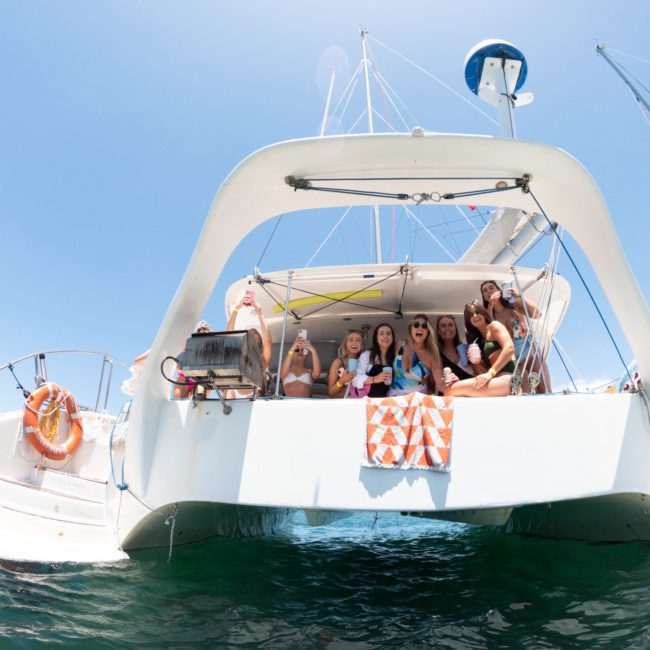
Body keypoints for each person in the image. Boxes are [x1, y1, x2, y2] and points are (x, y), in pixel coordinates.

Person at [480, 279, 551, 393]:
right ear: (484, 297)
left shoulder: (513, 304)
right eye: (485, 290)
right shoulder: (489, 315)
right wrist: (490, 307)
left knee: (543, 388)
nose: (488, 291)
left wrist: (519, 296)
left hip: (528, 349)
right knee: (526, 391)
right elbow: (488, 334)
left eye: (491, 288)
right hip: (512, 355)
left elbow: (537, 314)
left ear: (499, 290)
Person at [444, 302, 515, 397]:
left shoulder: (494, 326)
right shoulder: (479, 342)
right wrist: (476, 363)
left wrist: (491, 373)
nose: (475, 316)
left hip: (508, 379)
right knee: (450, 390)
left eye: (477, 312)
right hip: (495, 381)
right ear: (469, 321)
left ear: (484, 313)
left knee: (451, 390)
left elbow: (509, 348)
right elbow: (483, 374)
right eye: (471, 315)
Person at [391, 314, 444, 396]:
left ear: (428, 332)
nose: (420, 328)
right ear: (410, 329)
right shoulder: (400, 344)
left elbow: (441, 384)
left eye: (424, 326)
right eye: (416, 325)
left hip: (417, 402)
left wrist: (451, 383)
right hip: (394, 400)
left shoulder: (432, 355)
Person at [351, 323, 397, 398]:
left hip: (389, 402)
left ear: (392, 337)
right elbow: (355, 379)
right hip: (369, 402)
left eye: (388, 334)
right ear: (376, 338)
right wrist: (375, 379)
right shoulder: (367, 355)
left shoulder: (396, 357)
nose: (385, 336)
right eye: (381, 334)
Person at [173, 320, 212, 399]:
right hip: (185, 377)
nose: (202, 331)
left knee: (199, 401)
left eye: (205, 329)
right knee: (178, 400)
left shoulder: (213, 348)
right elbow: (177, 365)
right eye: (199, 330)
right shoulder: (190, 346)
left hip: (202, 380)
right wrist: (189, 374)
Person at [435, 315, 475, 389]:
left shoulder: (466, 349)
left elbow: (478, 373)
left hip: (471, 393)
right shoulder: (436, 355)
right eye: (443, 326)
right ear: (438, 332)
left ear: (455, 330)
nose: (447, 328)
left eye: (450, 325)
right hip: (450, 395)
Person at [328, 329, 365, 398]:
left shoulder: (365, 363)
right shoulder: (338, 362)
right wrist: (341, 381)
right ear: (346, 344)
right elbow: (331, 393)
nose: (354, 343)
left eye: (358, 340)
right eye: (351, 340)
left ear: (362, 345)